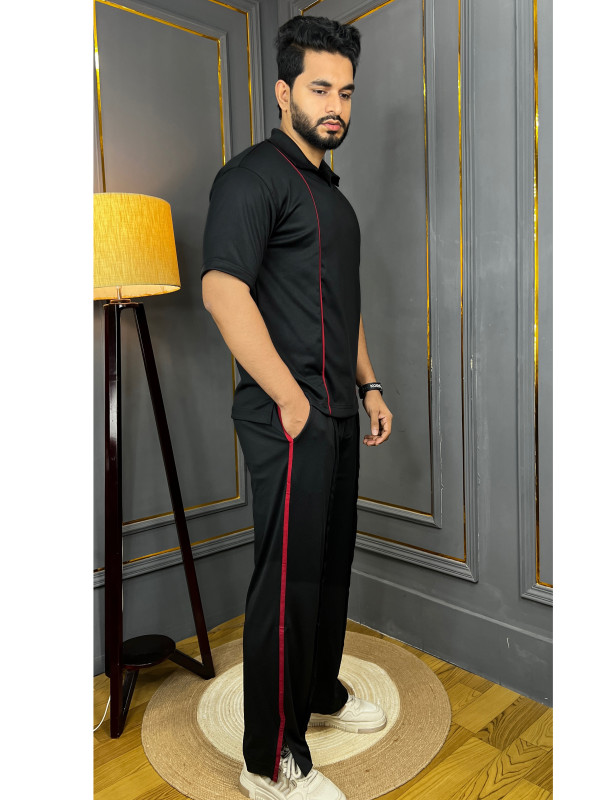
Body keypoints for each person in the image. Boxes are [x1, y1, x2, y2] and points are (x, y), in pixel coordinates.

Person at [201, 15, 393, 800]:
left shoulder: (331, 197)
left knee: (328, 569)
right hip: (288, 417)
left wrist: (369, 386)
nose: (335, 105)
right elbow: (223, 290)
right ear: (283, 93)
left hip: (337, 412)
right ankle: (268, 759)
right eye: (320, 88)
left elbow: (342, 308)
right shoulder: (251, 177)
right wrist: (288, 397)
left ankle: (318, 692)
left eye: (345, 91)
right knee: (286, 585)